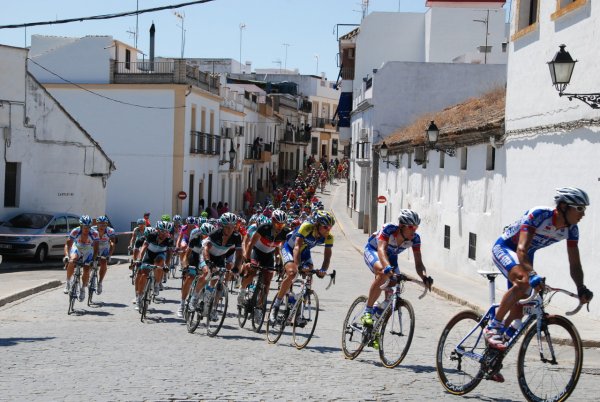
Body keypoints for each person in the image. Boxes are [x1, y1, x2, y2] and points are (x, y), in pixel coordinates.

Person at [486, 187, 594, 351]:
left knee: (519, 311)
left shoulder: (571, 230)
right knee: (524, 281)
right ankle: (492, 327)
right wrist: (532, 274)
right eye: (579, 208)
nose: (583, 214)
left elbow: (575, 263)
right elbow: (521, 249)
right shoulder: (539, 215)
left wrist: (581, 287)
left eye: (584, 209)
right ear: (564, 206)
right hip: (507, 248)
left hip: (526, 256)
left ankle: (492, 356)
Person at [361, 210, 433, 333]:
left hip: (392, 258)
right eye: (411, 227)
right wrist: (388, 268)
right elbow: (381, 249)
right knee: (383, 273)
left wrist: (425, 277)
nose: (414, 230)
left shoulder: (415, 239)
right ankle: (367, 311)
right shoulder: (389, 229)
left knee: (394, 292)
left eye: (416, 227)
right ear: (401, 226)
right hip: (374, 251)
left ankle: (376, 318)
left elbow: (419, 263)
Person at [270, 210, 335, 323]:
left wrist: (323, 270)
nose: (328, 230)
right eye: (325, 227)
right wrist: (298, 266)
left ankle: (298, 311)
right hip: (290, 248)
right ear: (317, 225)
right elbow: (296, 247)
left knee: (310, 273)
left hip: (304, 252)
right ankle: (276, 305)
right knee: (292, 273)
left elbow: (327, 256)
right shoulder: (307, 227)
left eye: (330, 227)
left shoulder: (328, 237)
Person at [238, 209, 290, 307]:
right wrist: (248, 260)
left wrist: (281, 264)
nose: (280, 227)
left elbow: (282, 249)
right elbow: (251, 243)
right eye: (278, 225)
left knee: (267, 282)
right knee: (252, 272)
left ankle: (259, 306)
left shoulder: (284, 232)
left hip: (269, 255)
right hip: (257, 252)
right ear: (273, 221)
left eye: (282, 225)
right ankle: (242, 291)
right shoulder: (264, 228)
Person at [134, 221, 173, 307]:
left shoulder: (169, 240)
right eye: (162, 231)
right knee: (143, 274)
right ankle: (139, 297)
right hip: (149, 254)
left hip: (160, 254)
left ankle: (157, 284)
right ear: (157, 230)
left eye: (167, 232)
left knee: (159, 263)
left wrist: (166, 264)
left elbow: (169, 254)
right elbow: (144, 248)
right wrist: (139, 259)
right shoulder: (151, 236)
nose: (164, 234)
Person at [63, 215, 99, 302]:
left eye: (88, 227)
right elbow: (68, 245)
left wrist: (93, 260)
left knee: (87, 269)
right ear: (81, 226)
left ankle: (83, 289)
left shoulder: (94, 233)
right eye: (85, 227)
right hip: (77, 247)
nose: (87, 229)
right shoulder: (75, 231)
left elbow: (96, 248)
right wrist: (67, 256)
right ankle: (68, 282)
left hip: (88, 249)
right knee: (72, 260)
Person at [92, 215, 116, 295]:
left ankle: (100, 283)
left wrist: (109, 255)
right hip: (94, 245)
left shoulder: (110, 231)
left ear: (107, 225)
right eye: (100, 224)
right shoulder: (92, 230)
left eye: (104, 224)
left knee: (103, 262)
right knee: (88, 261)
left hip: (104, 247)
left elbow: (112, 243)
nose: (102, 226)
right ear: (97, 224)